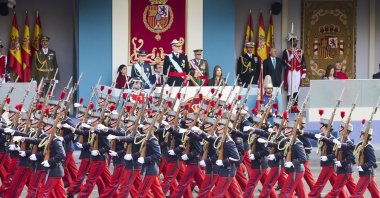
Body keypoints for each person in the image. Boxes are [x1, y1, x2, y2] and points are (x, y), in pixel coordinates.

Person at [282, 33, 306, 103]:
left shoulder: (300, 51)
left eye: (296, 41)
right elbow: (283, 62)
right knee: (290, 88)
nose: (295, 42)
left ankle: (295, 106)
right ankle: (289, 106)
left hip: (298, 71)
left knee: (296, 88)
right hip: (290, 71)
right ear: (290, 42)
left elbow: (303, 62)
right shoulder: (286, 51)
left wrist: (304, 72)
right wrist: (289, 59)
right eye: (293, 41)